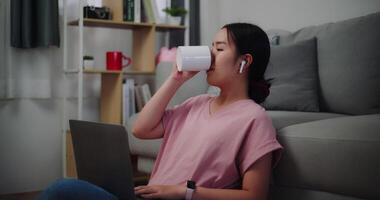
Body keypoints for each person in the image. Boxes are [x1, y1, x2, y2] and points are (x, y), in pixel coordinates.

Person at [36, 23, 282, 200]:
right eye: (211, 47)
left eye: (219, 49)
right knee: (64, 189)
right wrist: (175, 79)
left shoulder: (253, 118)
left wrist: (185, 192)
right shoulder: (195, 103)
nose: (209, 55)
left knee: (61, 190)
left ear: (244, 61)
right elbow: (141, 129)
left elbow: (255, 195)